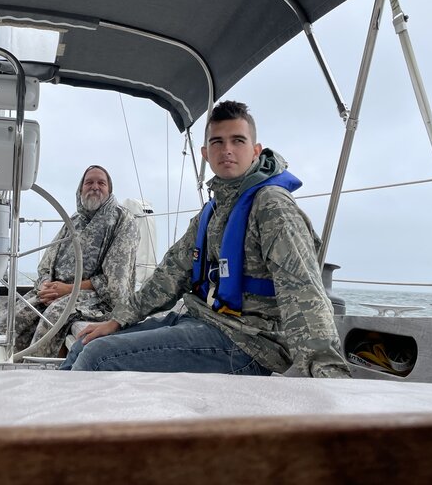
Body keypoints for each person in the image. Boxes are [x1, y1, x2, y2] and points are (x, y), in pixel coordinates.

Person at [61, 101, 350, 377]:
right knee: (84, 344)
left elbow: (304, 294)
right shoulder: (212, 212)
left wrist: (328, 376)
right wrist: (117, 319)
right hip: (201, 321)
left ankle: (66, 427)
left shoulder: (272, 207)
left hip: (248, 344)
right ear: (205, 153)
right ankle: (46, 420)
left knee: (97, 357)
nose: (227, 150)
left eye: (238, 140)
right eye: (217, 142)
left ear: (255, 150)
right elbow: (169, 276)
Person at [6, 165, 139, 358]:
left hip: (96, 298)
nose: (95, 187)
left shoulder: (123, 221)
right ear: (80, 189)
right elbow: (46, 263)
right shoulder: (73, 220)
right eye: (89, 182)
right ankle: (8, 365)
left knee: (54, 317)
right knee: (17, 313)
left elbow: (115, 281)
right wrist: (46, 286)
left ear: (109, 190)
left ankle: (41, 373)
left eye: (101, 183)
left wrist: (68, 289)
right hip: (56, 292)